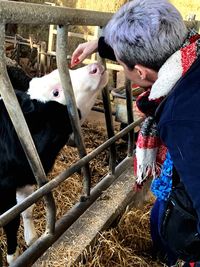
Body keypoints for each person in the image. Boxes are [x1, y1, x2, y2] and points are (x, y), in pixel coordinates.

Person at [71, 0, 200, 266]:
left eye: (122, 63)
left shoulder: (181, 118)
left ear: (140, 72)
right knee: (159, 217)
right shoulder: (190, 51)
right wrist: (99, 44)